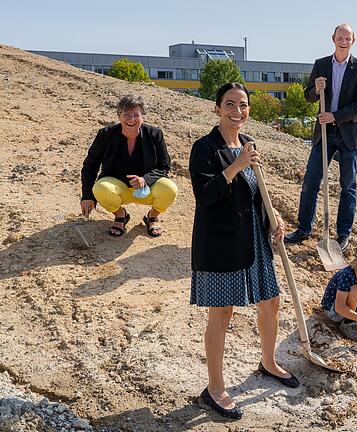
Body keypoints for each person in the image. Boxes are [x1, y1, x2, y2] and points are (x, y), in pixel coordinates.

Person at [189, 83, 295, 420]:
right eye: (230, 104)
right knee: (221, 314)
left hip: (254, 239)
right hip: (221, 242)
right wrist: (236, 166)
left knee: (271, 302)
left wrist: (273, 217)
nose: (238, 111)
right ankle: (215, 389)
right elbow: (205, 195)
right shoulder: (204, 147)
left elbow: (256, 193)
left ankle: (267, 362)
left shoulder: (250, 145)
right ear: (217, 108)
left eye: (243, 105)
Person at [284, 24, 357, 251]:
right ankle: (304, 229)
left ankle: (343, 235)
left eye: (348, 38)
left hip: (350, 133)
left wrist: (335, 115)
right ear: (333, 39)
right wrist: (315, 89)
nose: (343, 41)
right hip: (324, 133)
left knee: (348, 186)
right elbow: (308, 97)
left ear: (354, 40)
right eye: (340, 37)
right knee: (311, 181)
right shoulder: (321, 65)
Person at [80, 94, 177, 237]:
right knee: (100, 188)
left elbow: (164, 166)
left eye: (136, 115)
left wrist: (145, 180)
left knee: (170, 189)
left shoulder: (155, 134)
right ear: (119, 115)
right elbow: (90, 165)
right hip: (118, 187)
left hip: (147, 188)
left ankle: (152, 216)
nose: (131, 119)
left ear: (142, 116)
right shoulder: (105, 134)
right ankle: (121, 216)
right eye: (126, 114)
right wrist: (87, 195)